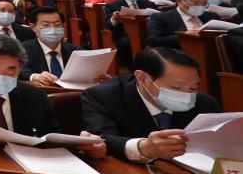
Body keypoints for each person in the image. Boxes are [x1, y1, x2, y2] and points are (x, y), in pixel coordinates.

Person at [0, 33, 106, 158]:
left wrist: (83, 146)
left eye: (11, 69)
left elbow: (51, 135)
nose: (1, 76)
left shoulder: (35, 96)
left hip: (26, 165)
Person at [81, 47, 221, 161]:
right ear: (142, 78)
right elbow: (101, 140)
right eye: (176, 88)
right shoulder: (104, 96)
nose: (186, 95)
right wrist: (143, 147)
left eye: (193, 88)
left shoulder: (205, 103)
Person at [19, 6, 82, 85]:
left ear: (63, 26)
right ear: (33, 27)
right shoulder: (22, 50)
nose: (52, 29)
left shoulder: (76, 51)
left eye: (57, 25)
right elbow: (19, 72)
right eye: (45, 25)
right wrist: (35, 76)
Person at [147, 0, 219, 49]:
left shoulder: (212, 16)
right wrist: (184, 37)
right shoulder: (161, 17)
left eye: (204, 3)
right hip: (178, 55)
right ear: (179, 1)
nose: (200, 6)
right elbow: (153, 41)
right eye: (194, 3)